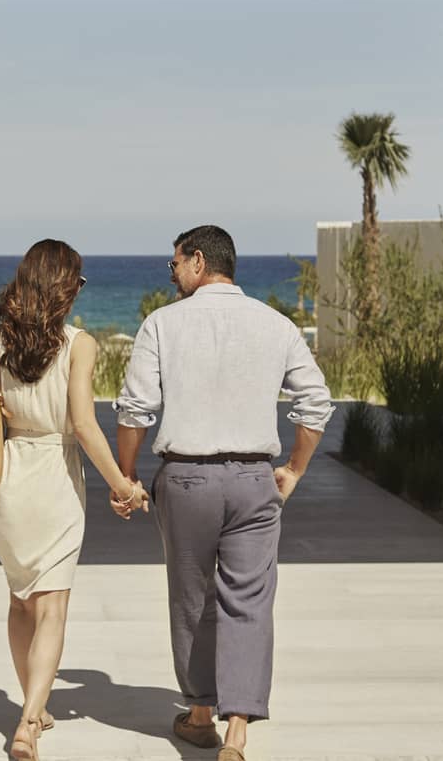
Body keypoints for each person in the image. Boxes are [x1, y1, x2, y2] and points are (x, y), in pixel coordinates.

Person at [112, 224, 333, 761]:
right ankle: (237, 733)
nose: (171, 274)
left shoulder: (161, 324)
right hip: (256, 480)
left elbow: (135, 409)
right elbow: (317, 403)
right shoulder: (276, 325)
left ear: (197, 262)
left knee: (192, 600)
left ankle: (201, 715)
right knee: (250, 603)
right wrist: (294, 470)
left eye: (174, 264)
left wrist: (127, 476)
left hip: (186, 479)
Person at [0, 238, 148, 760]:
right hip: (55, 483)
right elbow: (83, 426)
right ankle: (29, 721)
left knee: (19, 601)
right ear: (65, 287)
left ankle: (35, 702)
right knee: (53, 608)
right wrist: (120, 483)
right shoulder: (80, 344)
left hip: (7, 487)